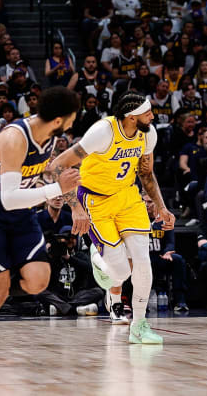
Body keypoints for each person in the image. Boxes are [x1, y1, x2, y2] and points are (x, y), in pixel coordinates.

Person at [0, 87, 81, 366]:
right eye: (71, 118)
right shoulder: (14, 138)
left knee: (38, 281)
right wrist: (57, 188)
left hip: (20, 209)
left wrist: (73, 199)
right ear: (58, 119)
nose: (73, 123)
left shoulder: (49, 136)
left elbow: (44, 171)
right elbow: (7, 199)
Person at [49, 93, 175, 344]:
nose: (152, 116)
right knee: (120, 272)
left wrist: (161, 207)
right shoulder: (102, 132)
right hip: (95, 199)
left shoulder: (148, 133)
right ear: (131, 117)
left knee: (142, 261)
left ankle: (139, 325)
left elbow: (147, 175)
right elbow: (59, 166)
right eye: (147, 112)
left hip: (128, 197)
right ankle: (98, 260)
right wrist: (75, 208)